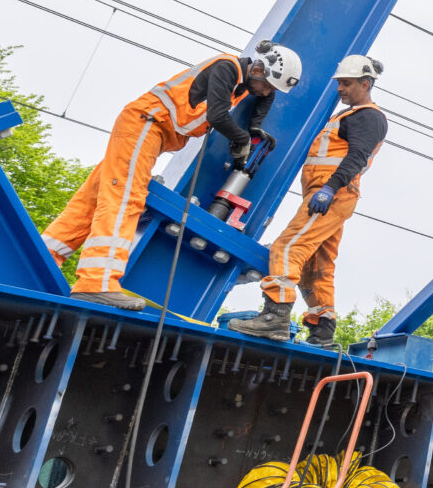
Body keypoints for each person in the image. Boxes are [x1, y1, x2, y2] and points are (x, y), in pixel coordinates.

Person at [43, 40, 301, 309]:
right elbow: (216, 115)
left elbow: (264, 99)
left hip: (149, 130)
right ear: (259, 68)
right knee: (126, 198)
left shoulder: (249, 82)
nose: (267, 91)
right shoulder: (228, 67)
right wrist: (241, 139)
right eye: (268, 84)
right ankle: (97, 283)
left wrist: (255, 127)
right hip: (146, 123)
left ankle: (46, 256)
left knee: (92, 200)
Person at [228, 53, 388, 345]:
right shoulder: (347, 116)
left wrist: (329, 189)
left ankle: (275, 315)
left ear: (365, 84)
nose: (340, 89)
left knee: (288, 247)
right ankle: (322, 329)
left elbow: (356, 157)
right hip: (327, 194)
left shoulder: (369, 117)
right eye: (339, 83)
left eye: (347, 84)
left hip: (333, 193)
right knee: (318, 264)